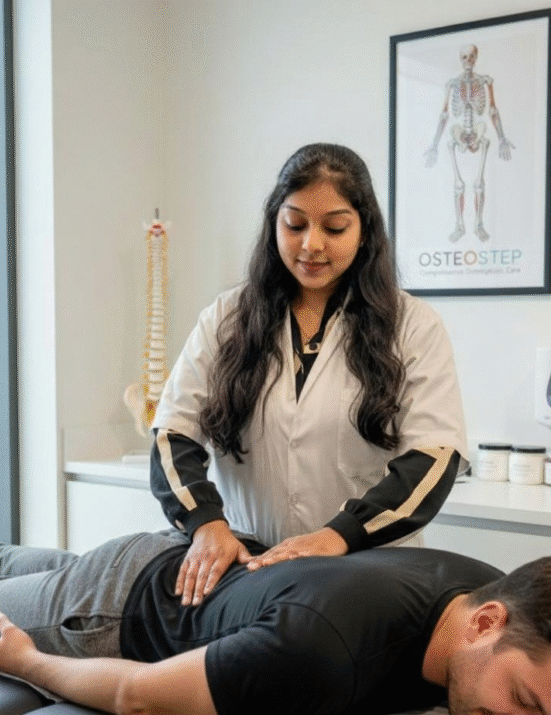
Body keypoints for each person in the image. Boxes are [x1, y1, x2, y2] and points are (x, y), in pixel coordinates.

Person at [0, 520, 551, 715]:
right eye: (521, 701)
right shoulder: (320, 654)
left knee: (48, 570)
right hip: (117, 611)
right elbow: (136, 696)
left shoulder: (488, 583)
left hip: (201, 568)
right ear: (488, 623)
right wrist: (32, 663)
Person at [151, 143, 468, 605]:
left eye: (335, 227)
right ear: (274, 222)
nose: (311, 244)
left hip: (367, 573)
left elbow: (433, 460)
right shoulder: (227, 318)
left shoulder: (413, 326)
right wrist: (207, 525)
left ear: (364, 230)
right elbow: (172, 434)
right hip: (251, 569)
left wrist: (338, 536)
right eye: (295, 224)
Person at [424, 44, 515, 242]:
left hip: (478, 133)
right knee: (458, 183)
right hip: (458, 135)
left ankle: (479, 225)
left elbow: (492, 110)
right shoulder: (451, 84)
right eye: (464, 57)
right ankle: (459, 226)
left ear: (476, 58)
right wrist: (433, 145)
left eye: (471, 57)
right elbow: (445, 114)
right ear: (461, 59)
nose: (468, 61)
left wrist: (501, 138)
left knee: (479, 183)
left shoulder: (484, 81)